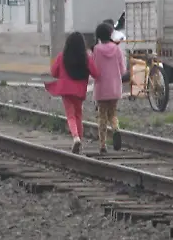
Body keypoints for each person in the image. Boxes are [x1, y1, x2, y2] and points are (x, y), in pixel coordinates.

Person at [46, 31, 91, 153]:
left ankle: (76, 138)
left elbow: (54, 72)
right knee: (78, 115)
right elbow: (95, 71)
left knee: (70, 116)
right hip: (80, 91)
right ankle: (79, 140)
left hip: (66, 91)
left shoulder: (62, 56)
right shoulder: (86, 58)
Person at [89, 20, 126, 154]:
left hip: (101, 88)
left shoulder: (97, 50)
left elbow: (93, 69)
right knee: (113, 114)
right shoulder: (116, 49)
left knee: (102, 116)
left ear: (98, 36)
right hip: (115, 87)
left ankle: (102, 145)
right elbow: (122, 69)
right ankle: (116, 128)